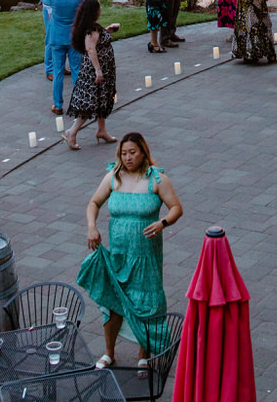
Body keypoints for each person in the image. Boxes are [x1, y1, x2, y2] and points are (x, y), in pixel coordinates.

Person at [77, 132, 183, 373]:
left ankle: (144, 353)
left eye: (132, 152)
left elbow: (176, 207)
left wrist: (162, 223)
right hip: (118, 254)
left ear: (143, 152)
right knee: (113, 302)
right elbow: (93, 203)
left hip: (146, 256)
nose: (127, 157)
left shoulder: (157, 179)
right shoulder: (113, 177)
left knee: (145, 303)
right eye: (124, 153)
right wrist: (92, 227)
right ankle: (109, 353)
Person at [65, 0, 121, 149]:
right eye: (99, 7)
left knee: (102, 99)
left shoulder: (92, 28)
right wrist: (98, 70)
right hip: (95, 73)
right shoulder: (91, 29)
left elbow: (96, 41)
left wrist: (107, 30)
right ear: (94, 11)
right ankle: (72, 132)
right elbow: (91, 49)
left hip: (103, 70)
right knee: (90, 102)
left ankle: (101, 130)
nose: (101, 9)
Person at [47, 0, 87, 115]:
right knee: (76, 70)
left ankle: (58, 105)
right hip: (73, 37)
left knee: (58, 72)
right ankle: (79, 103)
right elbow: (84, 0)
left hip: (57, 37)